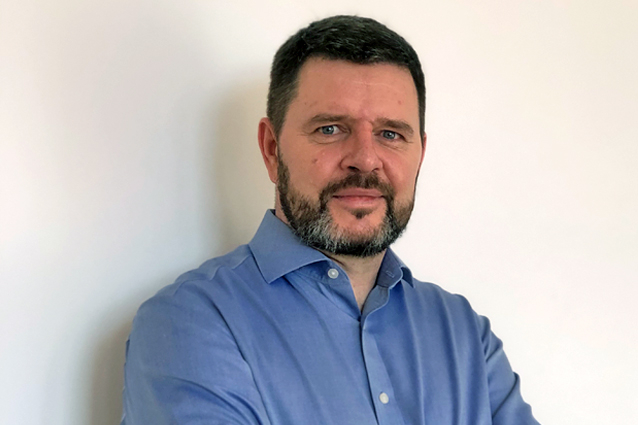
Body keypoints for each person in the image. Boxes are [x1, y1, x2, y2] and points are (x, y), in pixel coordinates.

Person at [121, 15, 540, 425]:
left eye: (391, 134)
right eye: (330, 129)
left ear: (420, 155)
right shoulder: (191, 323)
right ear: (272, 149)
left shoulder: (465, 335)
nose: (365, 159)